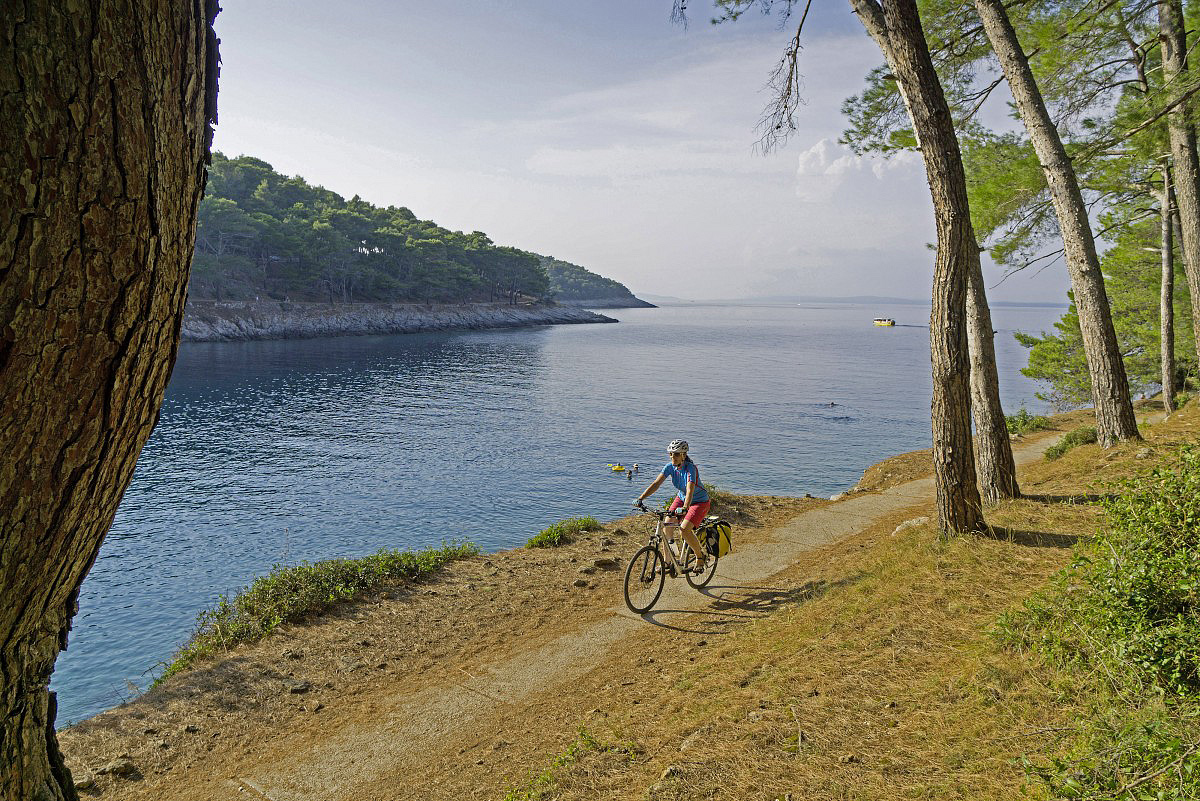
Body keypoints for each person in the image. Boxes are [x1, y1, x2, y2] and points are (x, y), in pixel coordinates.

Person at [635, 439, 711, 574]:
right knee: (666, 525)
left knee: (684, 530)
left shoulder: (691, 468)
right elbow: (656, 484)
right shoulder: (669, 467)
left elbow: (690, 490)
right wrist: (641, 498)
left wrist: (686, 507)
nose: (672, 457)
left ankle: (700, 557)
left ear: (683, 455)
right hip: (681, 498)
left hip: (699, 502)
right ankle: (667, 562)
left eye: (676, 454)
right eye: (670, 454)